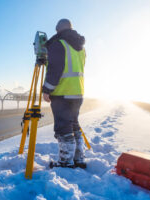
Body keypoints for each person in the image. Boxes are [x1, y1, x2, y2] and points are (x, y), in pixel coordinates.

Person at [42, 19, 86, 168]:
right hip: (78, 93)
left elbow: (55, 69)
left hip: (62, 94)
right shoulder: (80, 47)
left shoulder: (59, 43)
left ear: (58, 30)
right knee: (74, 125)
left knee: (63, 128)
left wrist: (47, 89)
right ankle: (78, 159)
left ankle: (66, 161)